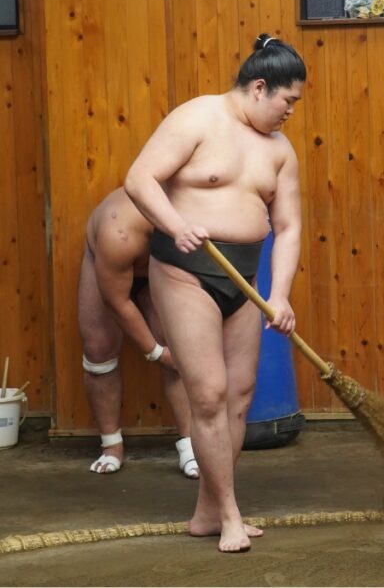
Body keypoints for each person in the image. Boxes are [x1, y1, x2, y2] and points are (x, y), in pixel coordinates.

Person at [124, 33, 305, 553]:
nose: (291, 112)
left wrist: (283, 294)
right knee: (207, 393)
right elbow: (140, 178)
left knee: (240, 395)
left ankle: (207, 510)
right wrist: (175, 224)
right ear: (259, 87)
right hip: (185, 271)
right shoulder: (198, 118)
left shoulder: (281, 151)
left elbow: (289, 227)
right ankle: (229, 514)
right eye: (287, 101)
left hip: (245, 280)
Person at [77, 187, 197, 478]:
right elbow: (118, 303)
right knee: (98, 349)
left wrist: (168, 351)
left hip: (162, 264)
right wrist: (155, 353)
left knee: (179, 346)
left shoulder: (196, 212)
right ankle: (111, 446)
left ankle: (192, 446)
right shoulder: (118, 231)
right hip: (110, 263)